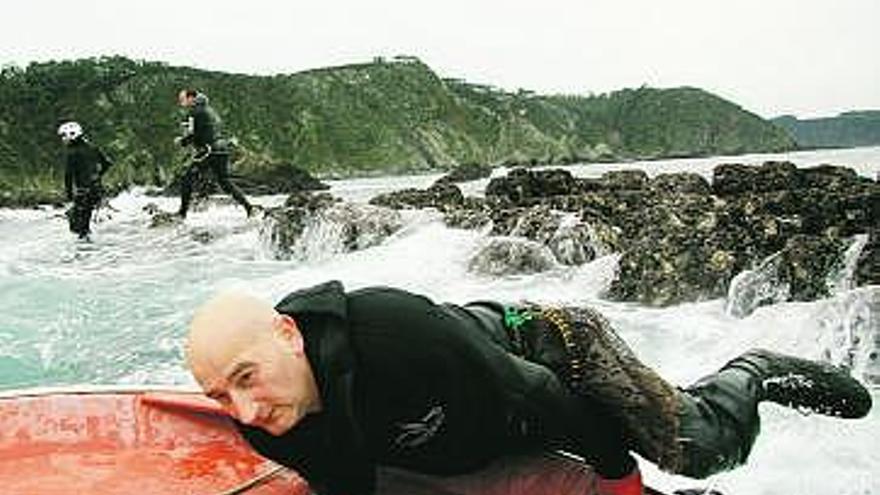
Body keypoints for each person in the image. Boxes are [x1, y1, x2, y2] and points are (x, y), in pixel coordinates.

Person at [185, 281, 872, 495]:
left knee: (696, 445)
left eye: (245, 378)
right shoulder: (264, 413)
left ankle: (749, 372)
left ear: (287, 333)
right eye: (220, 395)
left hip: (549, 354)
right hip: (480, 414)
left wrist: (620, 477)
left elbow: (539, 392)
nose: (244, 409)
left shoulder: (395, 333)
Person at [175, 88, 254, 218]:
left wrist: (182, 141)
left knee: (186, 179)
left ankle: (182, 214)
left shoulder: (195, 112)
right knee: (225, 183)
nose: (180, 102)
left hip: (209, 151)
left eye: (182, 99)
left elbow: (196, 134)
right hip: (221, 149)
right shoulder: (209, 110)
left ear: (191, 98)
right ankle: (249, 208)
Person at [58, 121, 113, 240]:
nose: (62, 139)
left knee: (78, 228)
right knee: (84, 224)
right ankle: (91, 251)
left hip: (83, 192)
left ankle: (85, 253)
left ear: (71, 135)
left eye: (63, 136)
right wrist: (98, 175)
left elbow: (68, 176)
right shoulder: (93, 148)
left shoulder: (72, 153)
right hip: (97, 190)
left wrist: (69, 198)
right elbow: (107, 163)